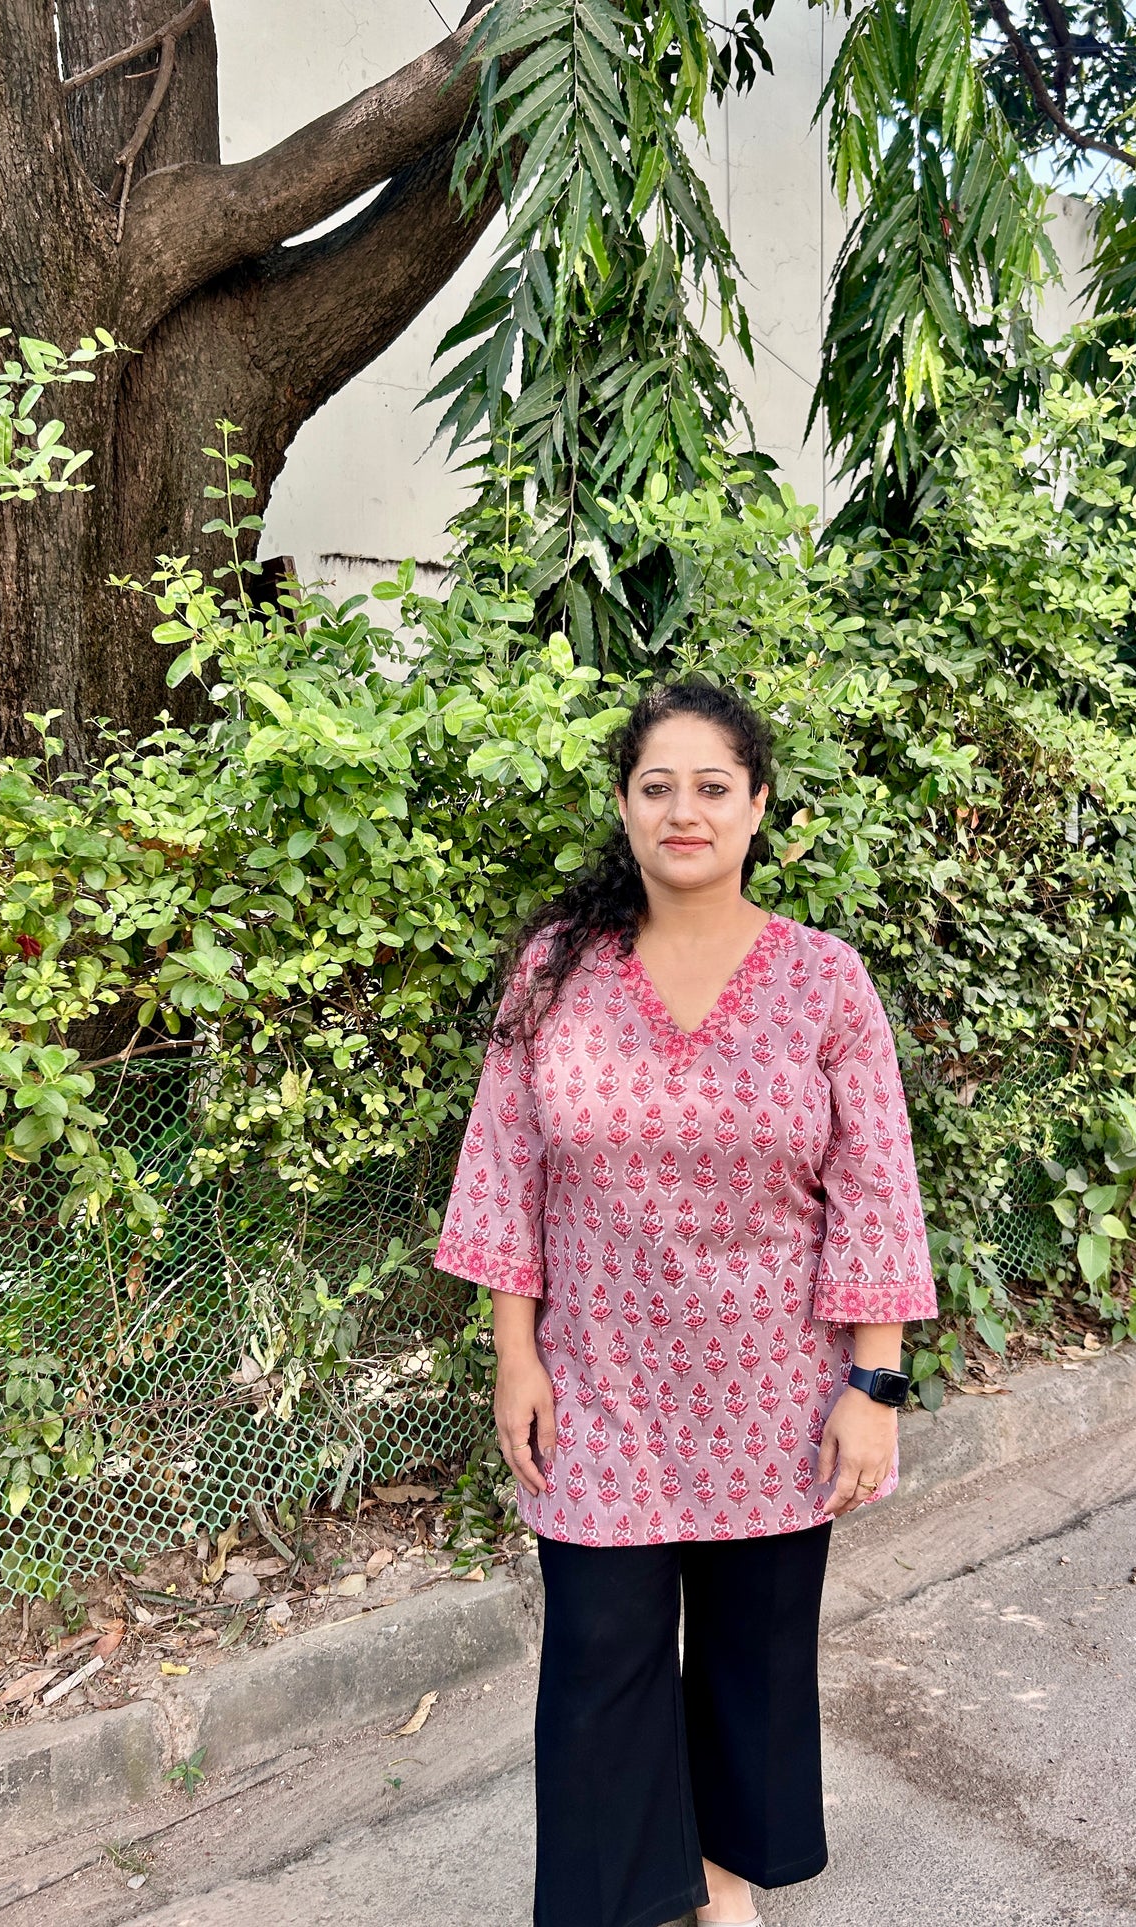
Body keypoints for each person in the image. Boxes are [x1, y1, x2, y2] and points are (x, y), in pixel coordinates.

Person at [437, 679, 937, 1927]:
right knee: (601, 1653)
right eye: (656, 786)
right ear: (624, 806)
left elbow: (874, 1188)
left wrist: (870, 1387)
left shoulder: (822, 981)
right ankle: (617, 1897)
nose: (684, 809)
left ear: (756, 806)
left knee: (748, 1660)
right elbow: (505, 1165)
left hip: (774, 1385)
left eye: (712, 786)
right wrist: (515, 1355)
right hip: (599, 1382)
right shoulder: (556, 970)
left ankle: (720, 1879)